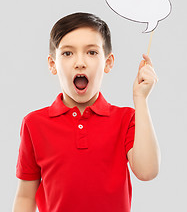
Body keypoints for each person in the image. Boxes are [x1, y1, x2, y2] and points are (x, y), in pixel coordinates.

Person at [12, 12, 161, 212]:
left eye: (91, 52)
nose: (80, 62)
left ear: (108, 62)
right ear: (52, 64)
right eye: (67, 53)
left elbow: (147, 171)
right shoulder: (34, 123)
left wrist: (140, 99)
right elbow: (25, 196)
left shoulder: (126, 119)